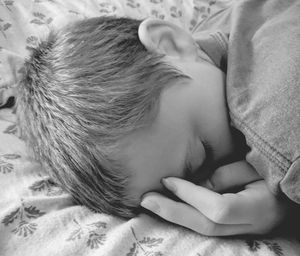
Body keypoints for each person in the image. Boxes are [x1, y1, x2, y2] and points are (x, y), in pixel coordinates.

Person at [16, 0, 300, 236]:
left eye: (203, 152)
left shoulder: (278, 128)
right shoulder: (219, 30)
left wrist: (286, 211)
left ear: (172, 43)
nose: (223, 183)